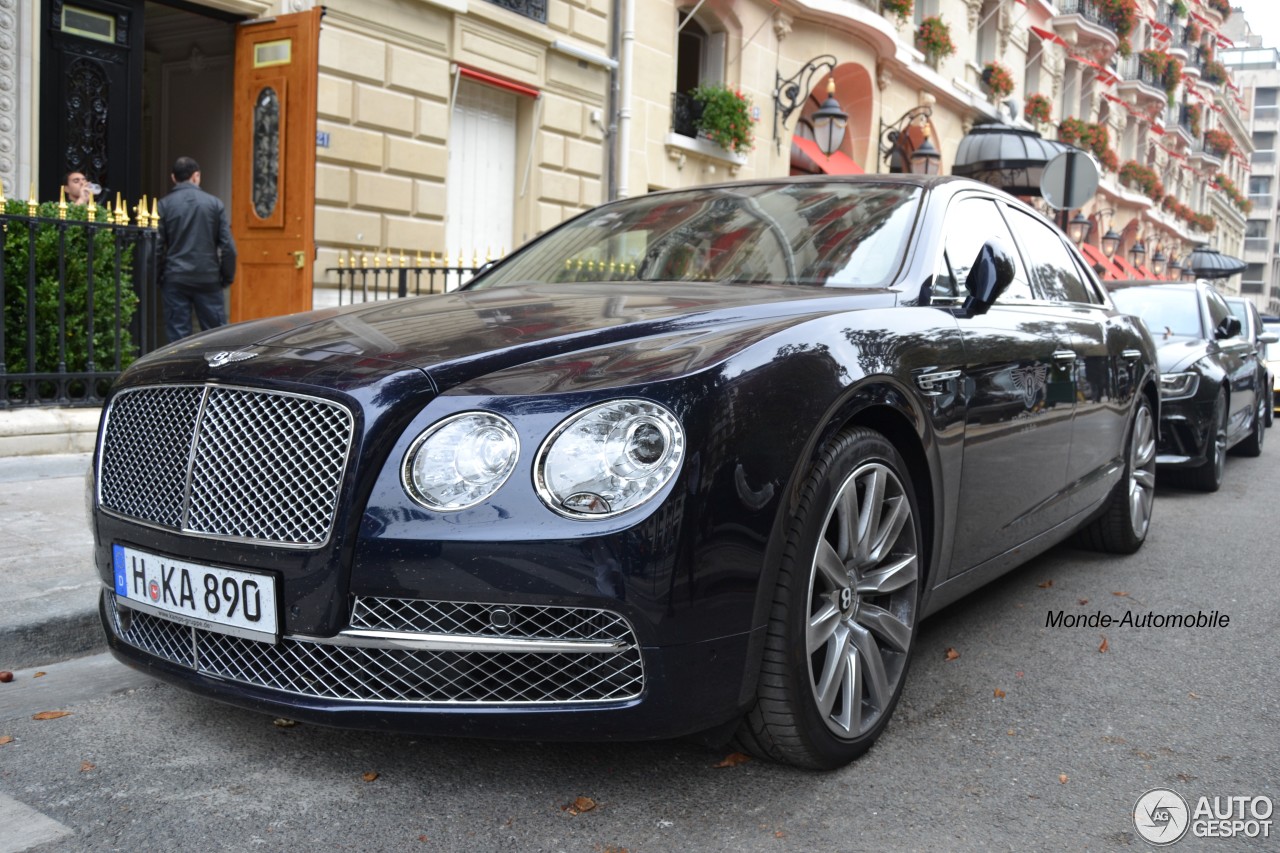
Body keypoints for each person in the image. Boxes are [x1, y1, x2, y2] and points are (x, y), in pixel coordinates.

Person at [156, 156, 237, 343]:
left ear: (173, 178)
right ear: (196, 176)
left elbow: (156, 247)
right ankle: (217, 371)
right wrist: (226, 277)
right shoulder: (214, 204)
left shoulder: (164, 205)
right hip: (208, 277)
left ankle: (180, 371)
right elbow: (228, 246)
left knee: (178, 338)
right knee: (216, 336)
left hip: (175, 277)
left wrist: (159, 276)